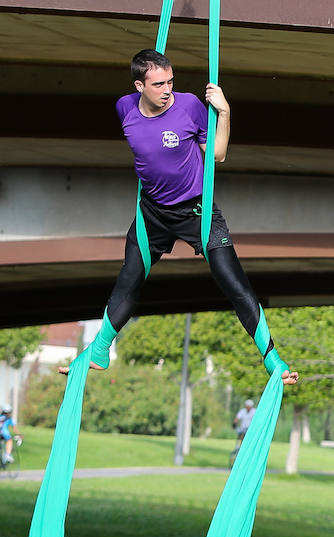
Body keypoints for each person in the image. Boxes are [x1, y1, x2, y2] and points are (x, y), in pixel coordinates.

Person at [60, 49, 296, 384]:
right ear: (139, 85)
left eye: (171, 81)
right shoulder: (123, 108)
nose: (167, 89)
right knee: (129, 279)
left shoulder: (189, 106)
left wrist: (224, 113)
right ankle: (98, 352)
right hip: (152, 213)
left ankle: (273, 360)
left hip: (196, 211)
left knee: (233, 282)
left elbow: (217, 154)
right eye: (158, 84)